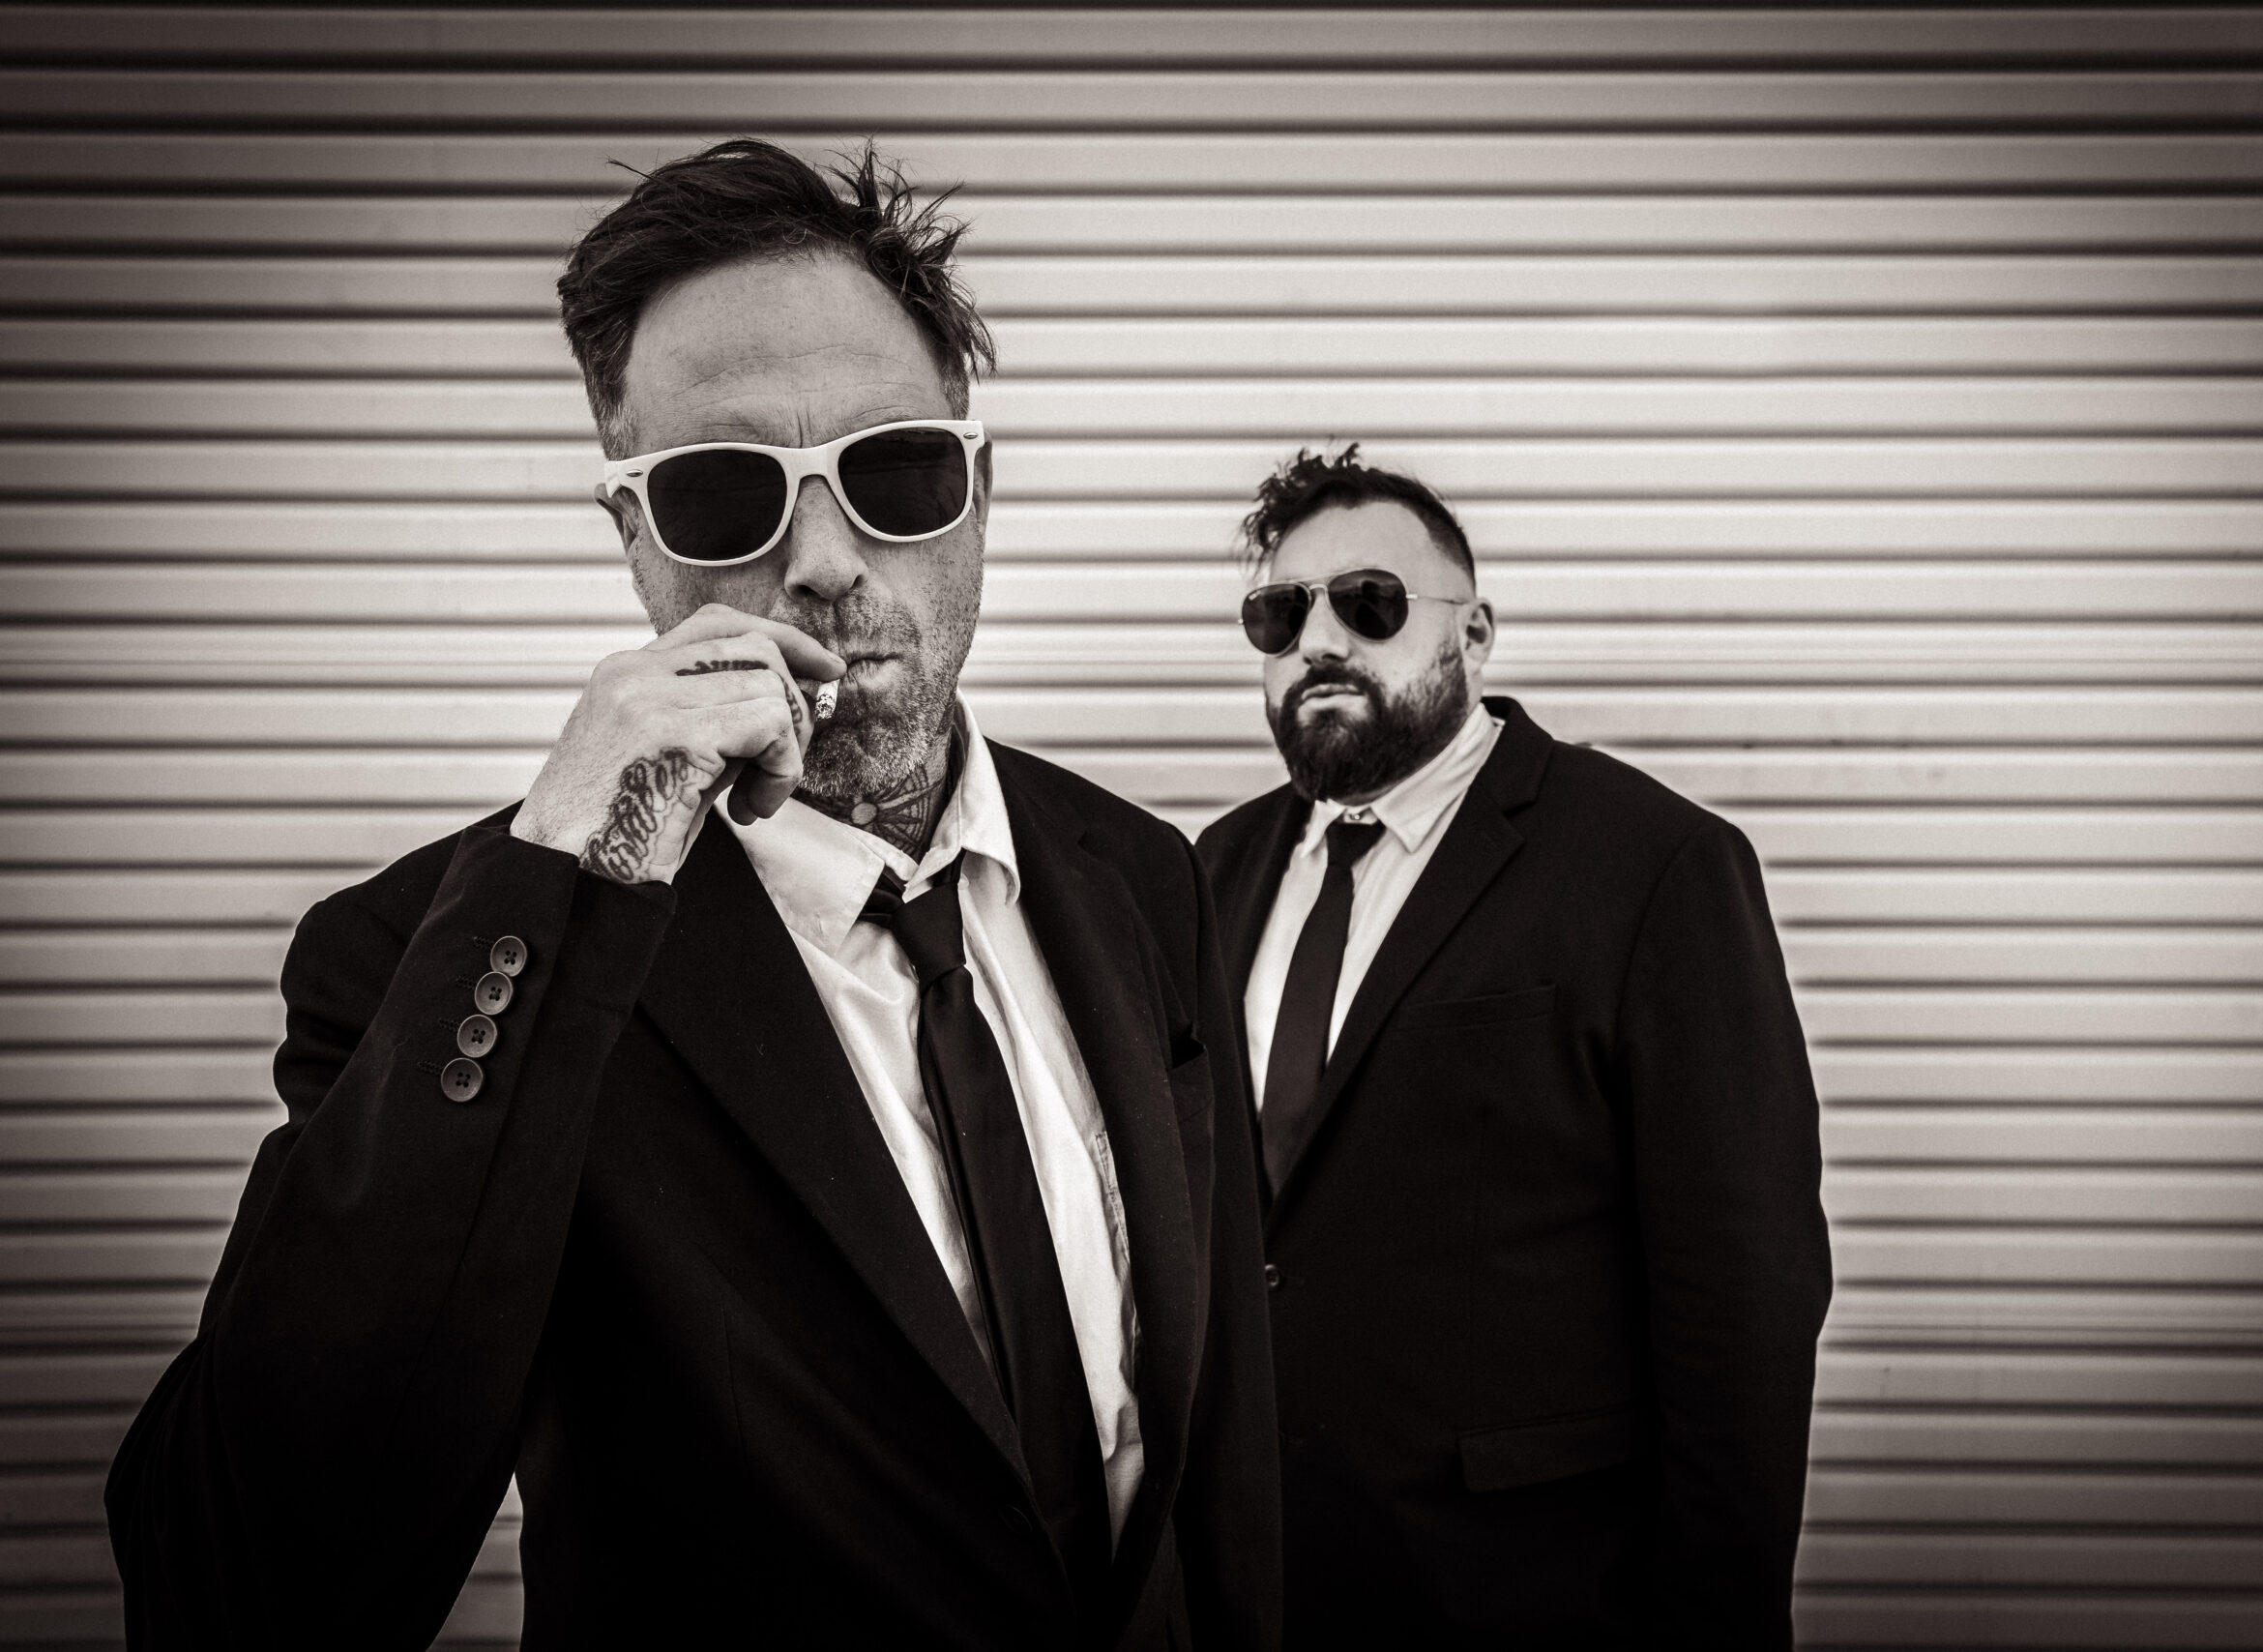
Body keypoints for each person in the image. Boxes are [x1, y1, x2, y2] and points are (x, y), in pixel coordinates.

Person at [107, 138, 1278, 1651]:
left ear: (979, 493)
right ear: (635, 542)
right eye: (723, 495)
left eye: (895, 471)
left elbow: (1220, 1422)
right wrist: (565, 867)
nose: (826, 562)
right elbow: (237, 1585)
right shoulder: (449, 959)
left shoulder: (1142, 874)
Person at [1195, 447, 1832, 1648]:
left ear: (1473, 633)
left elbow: (1744, 1296)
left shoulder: (1652, 867)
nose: (1318, 640)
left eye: (1369, 603)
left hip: (1533, 1588)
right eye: (1280, 614)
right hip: (1265, 1586)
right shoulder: (1212, 871)